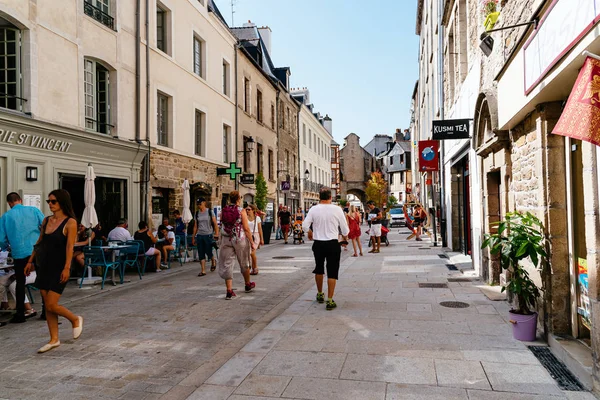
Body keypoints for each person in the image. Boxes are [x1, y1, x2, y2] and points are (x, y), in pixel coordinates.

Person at [25, 189, 82, 353]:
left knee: (51, 304)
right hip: (44, 266)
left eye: (53, 201)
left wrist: (67, 267)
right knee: (47, 304)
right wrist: (30, 261)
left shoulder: (70, 222)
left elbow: (70, 247)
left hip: (59, 267)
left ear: (62, 202)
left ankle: (74, 319)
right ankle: (54, 339)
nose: (50, 204)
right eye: (48, 201)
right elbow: (39, 242)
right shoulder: (46, 221)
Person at [0, 192, 44, 323]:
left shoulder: (5, 217)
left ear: (9, 203)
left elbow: (1, 239)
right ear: (20, 200)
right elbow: (45, 226)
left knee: (20, 282)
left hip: (19, 252)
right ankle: (46, 311)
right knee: (43, 280)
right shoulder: (34, 210)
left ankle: (20, 314)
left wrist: (8, 245)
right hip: (37, 250)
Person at [303, 187, 349, 311]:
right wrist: (345, 236)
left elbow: (304, 225)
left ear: (319, 197)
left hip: (318, 243)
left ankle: (319, 293)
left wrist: (310, 231)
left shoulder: (313, 209)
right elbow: (345, 229)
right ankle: (330, 299)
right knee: (332, 270)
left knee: (319, 268)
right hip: (332, 243)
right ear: (330, 197)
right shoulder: (337, 209)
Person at [218, 191, 255, 299]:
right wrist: (252, 242)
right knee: (244, 261)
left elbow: (221, 224)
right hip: (239, 238)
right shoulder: (241, 211)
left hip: (226, 238)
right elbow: (246, 228)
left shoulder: (224, 210)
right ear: (239, 199)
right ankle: (247, 284)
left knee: (227, 264)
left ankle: (229, 291)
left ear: (230, 199)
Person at [192, 197, 219, 276]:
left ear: (204, 203)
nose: (199, 206)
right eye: (198, 204)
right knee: (201, 252)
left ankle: (213, 261)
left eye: (200, 204)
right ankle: (203, 270)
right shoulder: (197, 214)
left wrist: (216, 233)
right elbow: (195, 226)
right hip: (200, 235)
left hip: (208, 234)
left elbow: (215, 223)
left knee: (208, 251)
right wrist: (193, 237)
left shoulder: (210, 212)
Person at [246, 204, 264, 275]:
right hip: (247, 236)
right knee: (249, 253)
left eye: (249, 209)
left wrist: (262, 239)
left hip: (255, 236)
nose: (247, 211)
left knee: (252, 253)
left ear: (253, 210)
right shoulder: (245, 218)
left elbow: (260, 229)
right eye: (246, 209)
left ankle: (255, 267)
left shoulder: (257, 218)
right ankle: (252, 268)